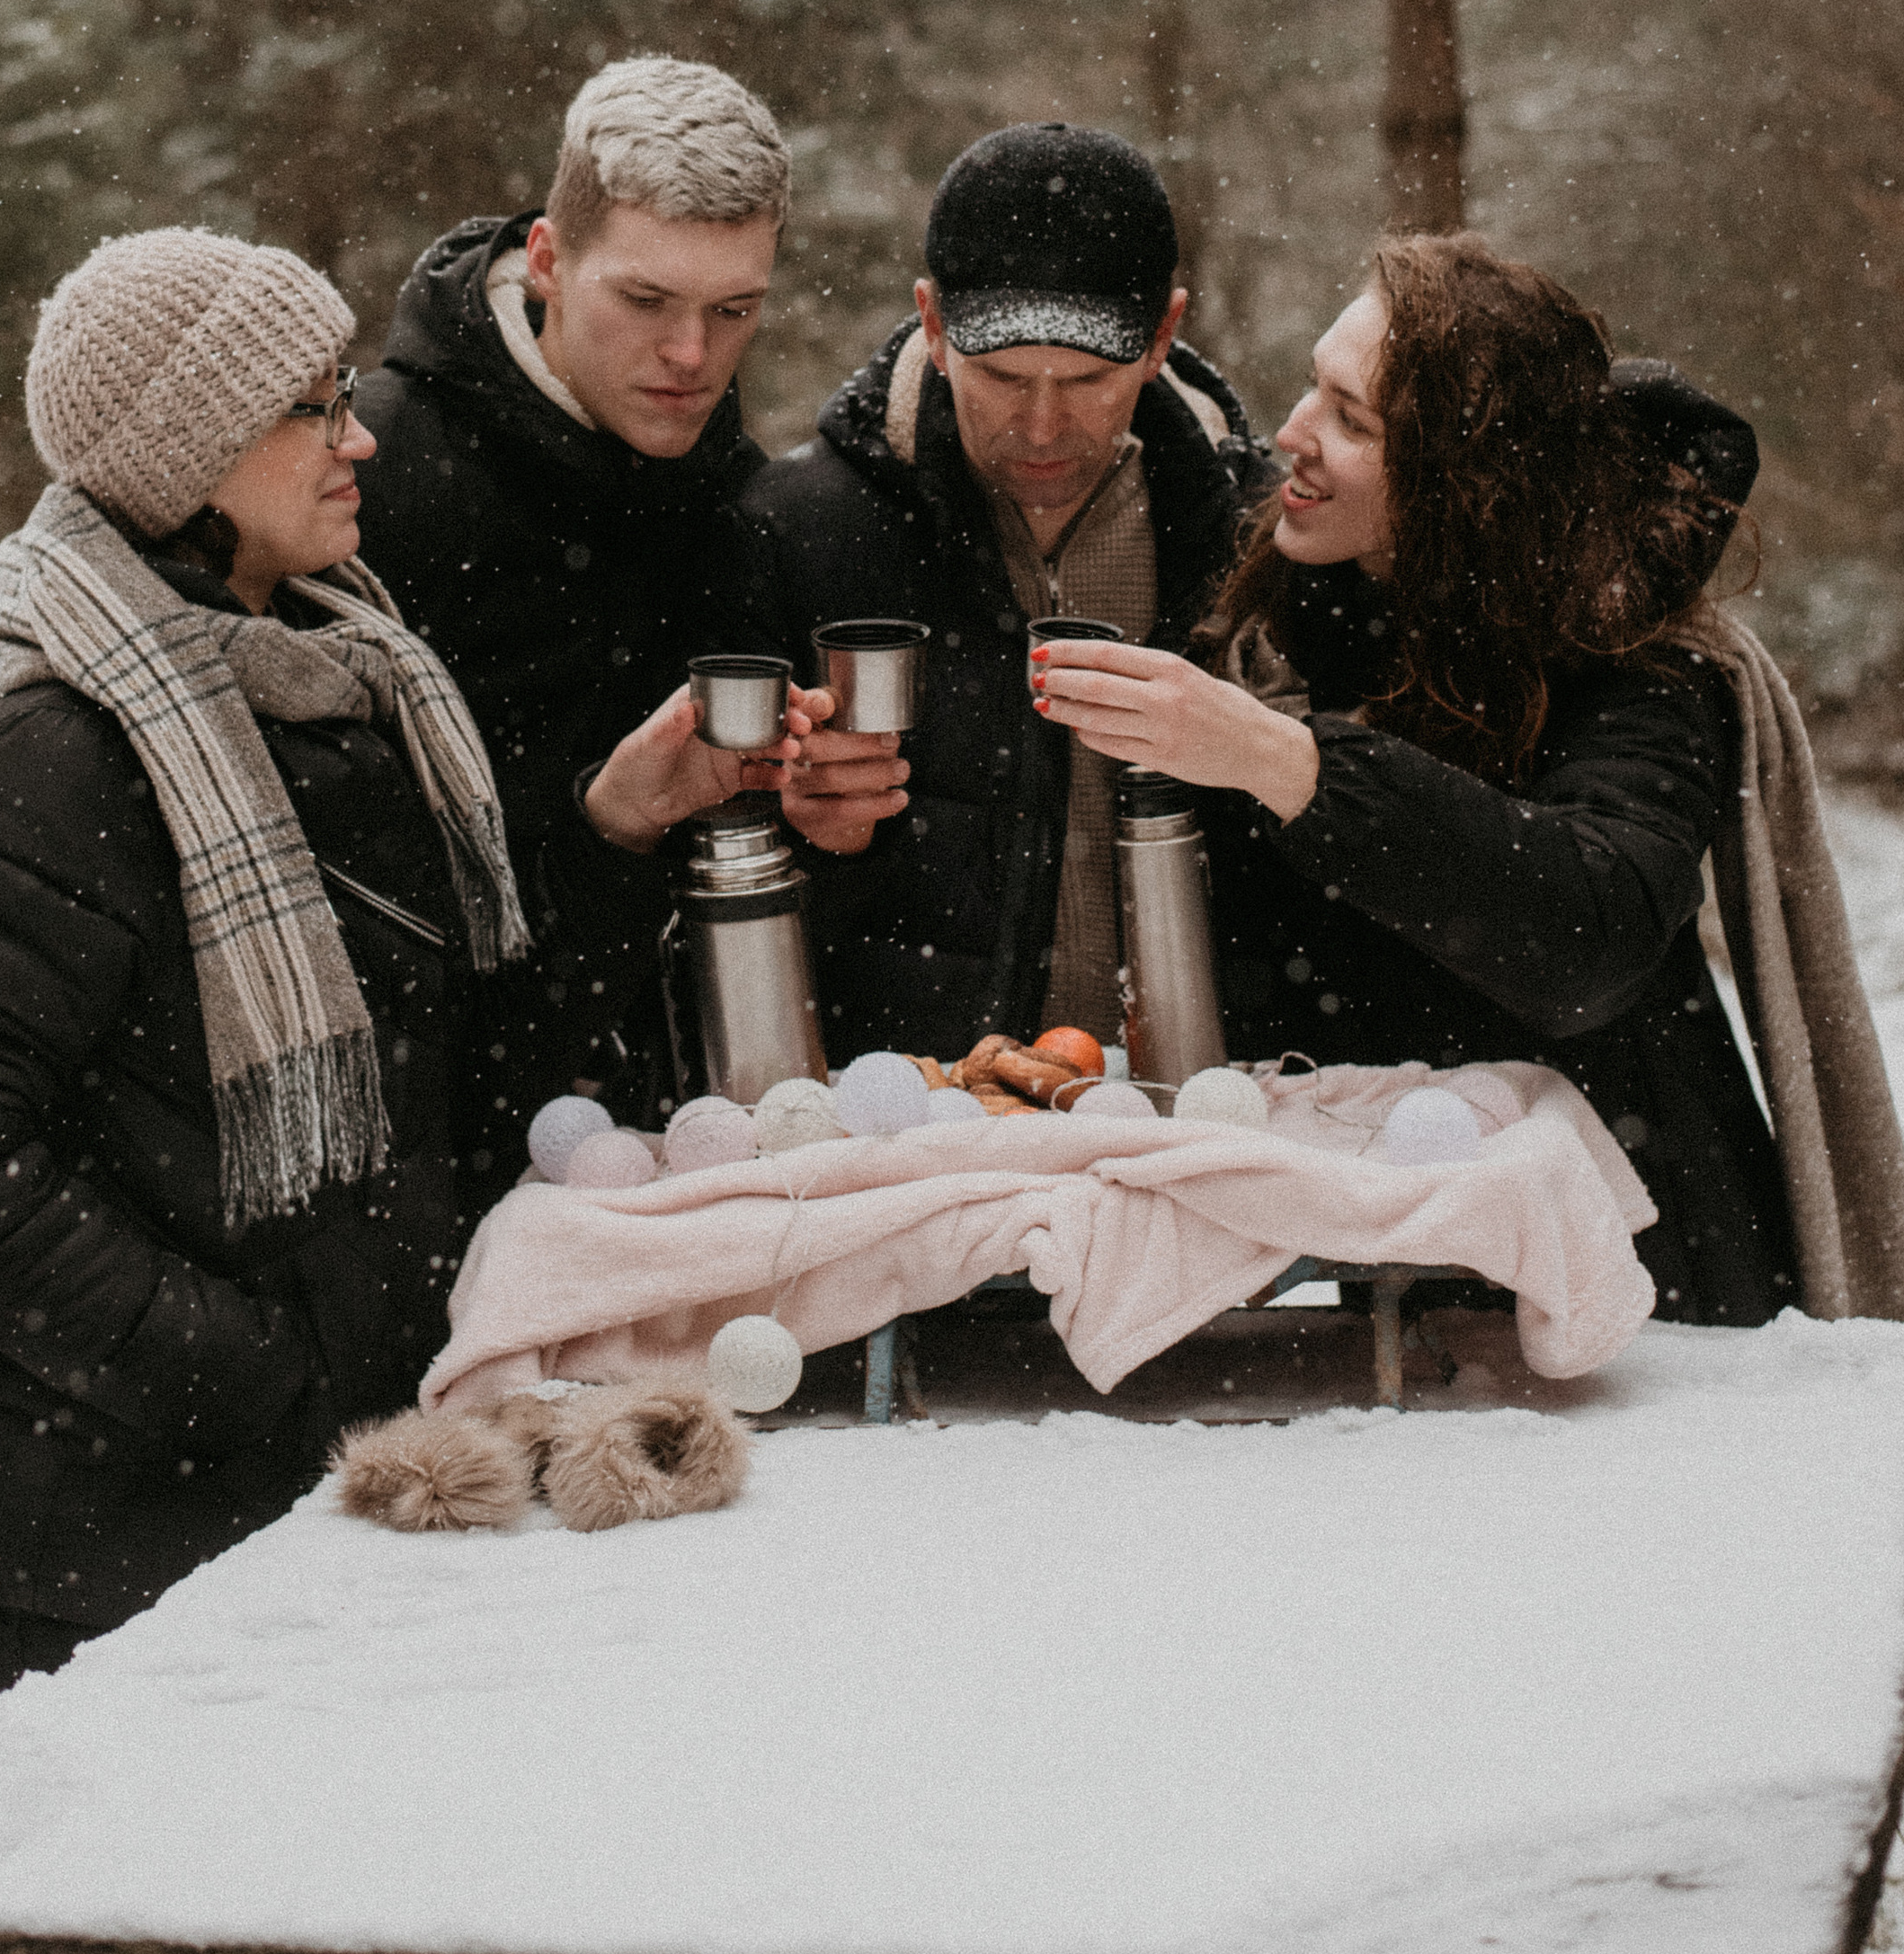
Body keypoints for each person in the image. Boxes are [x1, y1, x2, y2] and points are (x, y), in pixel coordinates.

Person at [0, 228, 532, 1725]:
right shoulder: (71, 753)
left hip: (280, 1503)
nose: (358, 435)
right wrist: (249, 1381)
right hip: (91, 1544)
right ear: (197, 453)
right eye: (312, 405)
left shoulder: (351, 679)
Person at [1029, 230, 1799, 1325]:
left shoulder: (1642, 665)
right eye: (1313, 386)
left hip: (1632, 1264)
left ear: (1468, 480)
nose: (1291, 433)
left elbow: (1590, 931)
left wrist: (1280, 760)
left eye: (1353, 419)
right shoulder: (1290, 600)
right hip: (1378, 1257)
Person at [355, 57, 811, 1159]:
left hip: (683, 1147)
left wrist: (820, 816)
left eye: (732, 309)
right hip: (417, 1154)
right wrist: (595, 829)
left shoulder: (741, 505)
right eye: (645, 300)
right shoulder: (365, 478)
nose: (691, 355)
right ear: (550, 261)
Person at [747, 123, 1276, 1058]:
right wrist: (800, 831)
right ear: (933, 324)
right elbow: (692, 879)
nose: (1042, 424)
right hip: (914, 1119)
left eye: (1085, 381)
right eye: (998, 378)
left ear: (1164, 335)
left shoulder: (1256, 535)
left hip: (1206, 1106)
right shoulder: (797, 527)